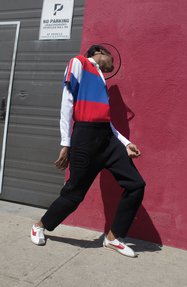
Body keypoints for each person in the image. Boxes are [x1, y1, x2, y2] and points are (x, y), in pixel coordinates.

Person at [31, 44, 146, 258]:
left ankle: (113, 238)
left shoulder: (101, 79)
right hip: (85, 138)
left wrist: (125, 142)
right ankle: (40, 225)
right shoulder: (79, 62)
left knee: (136, 184)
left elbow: (107, 121)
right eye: (112, 58)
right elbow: (67, 101)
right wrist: (66, 143)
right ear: (100, 53)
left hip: (107, 138)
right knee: (74, 194)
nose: (114, 64)